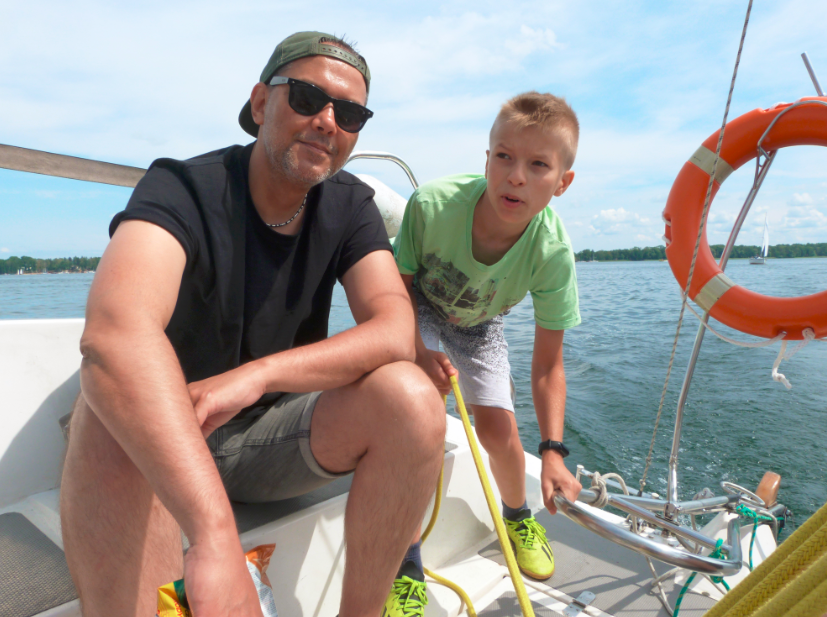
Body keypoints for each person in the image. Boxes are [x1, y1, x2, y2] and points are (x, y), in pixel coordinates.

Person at [60, 31, 446, 617]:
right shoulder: (183, 188)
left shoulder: (349, 206)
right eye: (308, 98)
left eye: (349, 114)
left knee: (413, 398)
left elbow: (394, 330)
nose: (327, 121)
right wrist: (215, 534)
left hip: (269, 438)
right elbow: (116, 331)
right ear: (262, 103)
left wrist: (256, 377)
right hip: (171, 432)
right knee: (111, 401)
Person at [393, 91, 583, 584]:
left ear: (562, 182)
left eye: (538, 164)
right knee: (418, 416)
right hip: (416, 305)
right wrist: (419, 352)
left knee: (498, 431)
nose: (516, 176)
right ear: (487, 159)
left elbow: (548, 367)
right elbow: (393, 292)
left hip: (480, 321)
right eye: (504, 156)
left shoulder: (551, 252)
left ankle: (517, 517)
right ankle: (405, 559)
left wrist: (553, 451)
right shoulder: (432, 206)